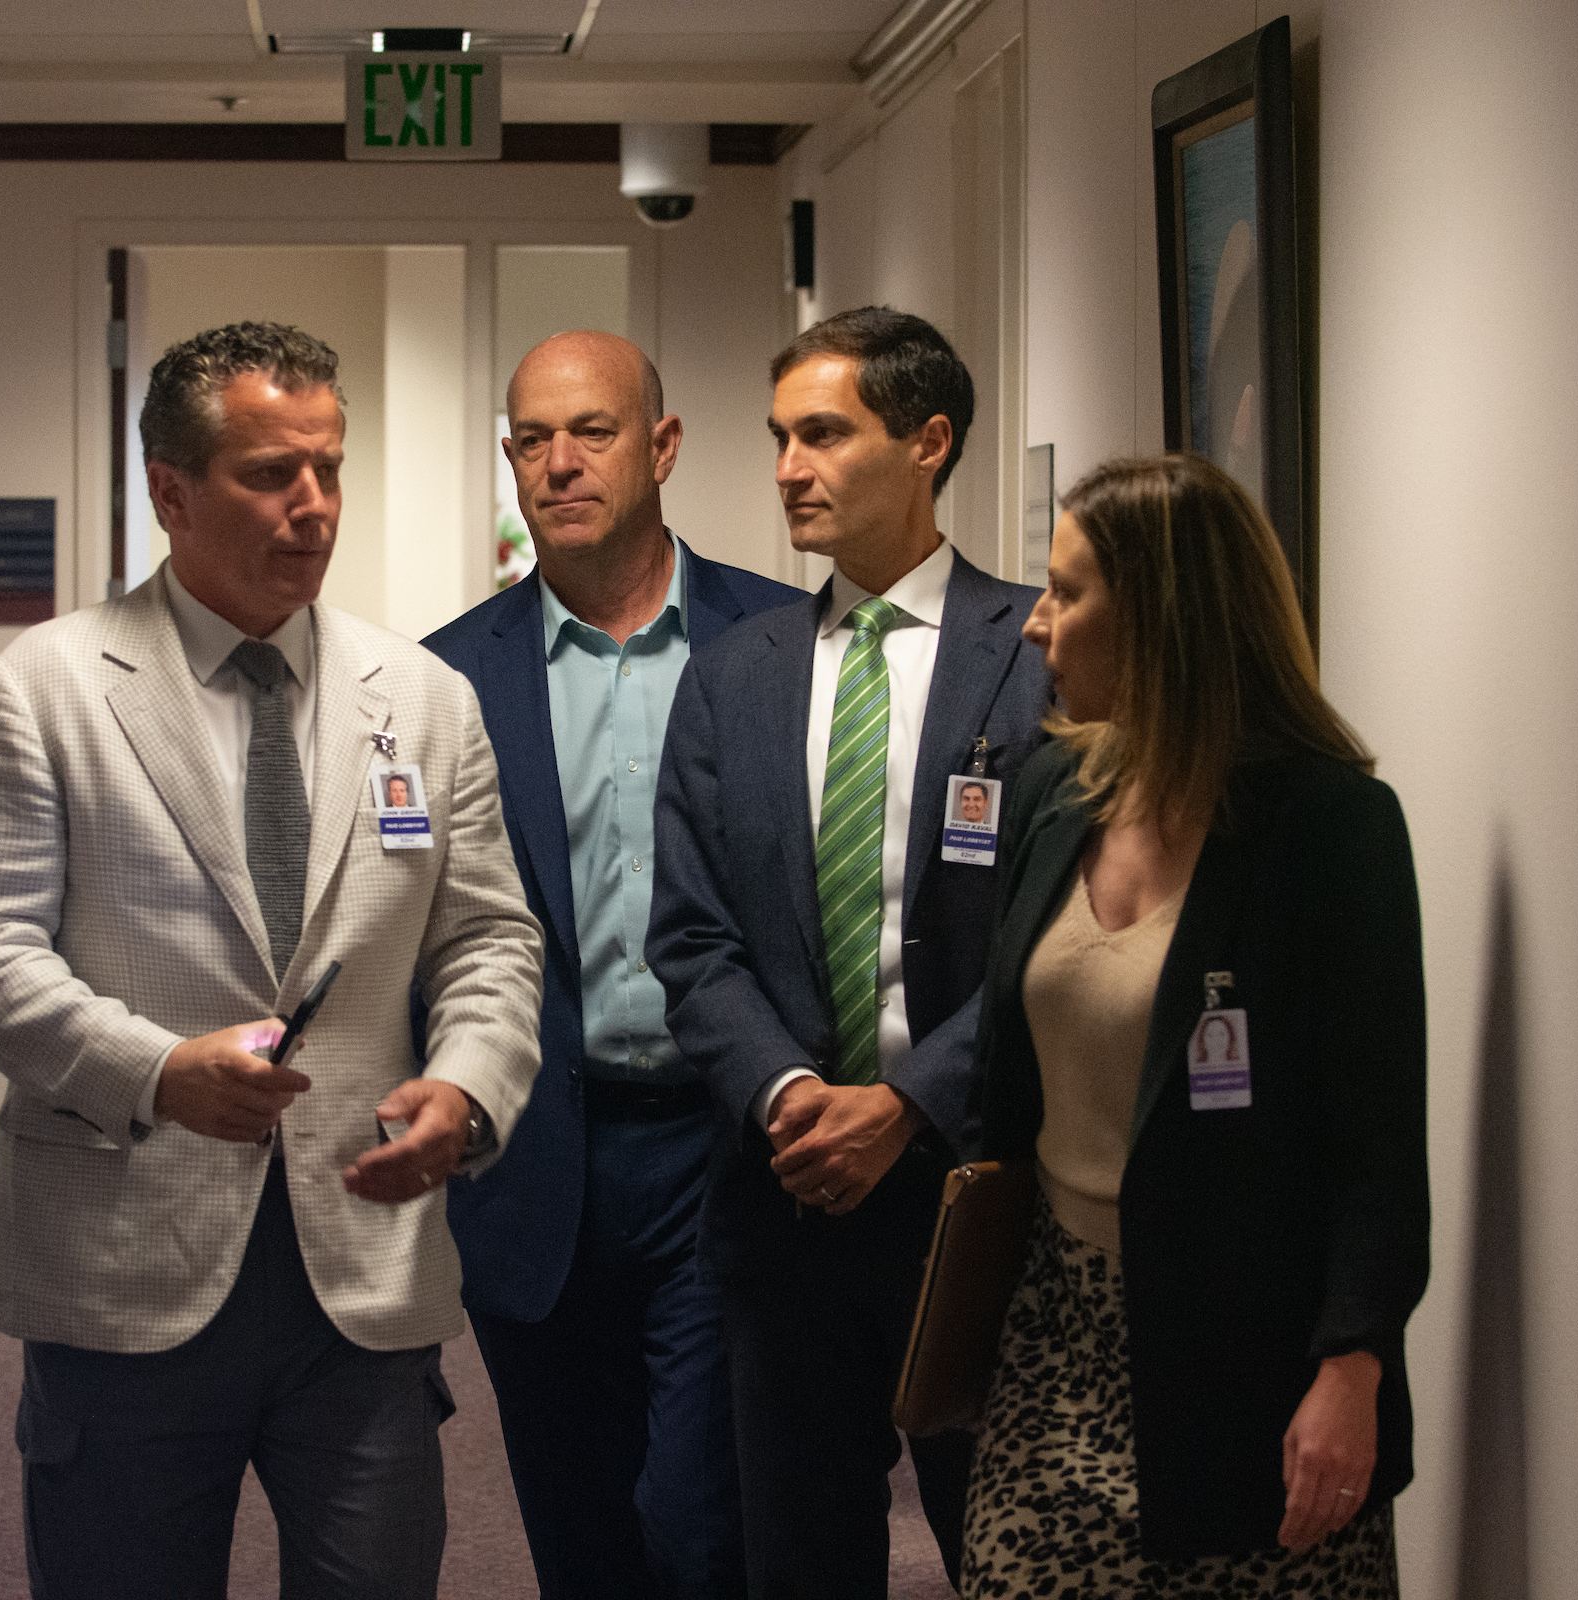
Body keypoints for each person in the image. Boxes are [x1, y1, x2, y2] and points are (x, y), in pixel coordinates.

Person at [0, 321, 543, 1600]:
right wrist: (154, 1069)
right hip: (124, 1255)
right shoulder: (43, 687)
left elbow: (487, 934)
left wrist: (471, 1085)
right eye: (272, 474)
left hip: (364, 1272)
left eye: (329, 468)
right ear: (170, 491)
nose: (313, 506)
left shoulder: (422, 696)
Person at [961, 453, 1426, 1596]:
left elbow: (1378, 1142)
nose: (1034, 625)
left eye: (1068, 594)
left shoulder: (1330, 826)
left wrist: (1352, 1368)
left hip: (1254, 1356)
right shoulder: (1052, 794)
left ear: (1165, 619)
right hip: (1057, 1335)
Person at [647, 307, 1052, 1596]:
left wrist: (907, 1102)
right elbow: (693, 937)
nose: (786, 467)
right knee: (801, 1563)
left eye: (823, 433)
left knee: (1005, 1553)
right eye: (778, 438)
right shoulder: (734, 673)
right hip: (785, 1198)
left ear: (929, 442)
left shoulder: (1041, 656)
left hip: (975, 1195)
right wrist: (794, 1097)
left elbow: (1065, 939)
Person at [422, 331, 804, 1597]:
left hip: (727, 1146)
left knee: (699, 1523)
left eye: (590, 431)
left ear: (664, 446)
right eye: (531, 439)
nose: (558, 463)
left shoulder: (785, 640)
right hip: (540, 1163)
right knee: (579, 1532)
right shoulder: (443, 680)